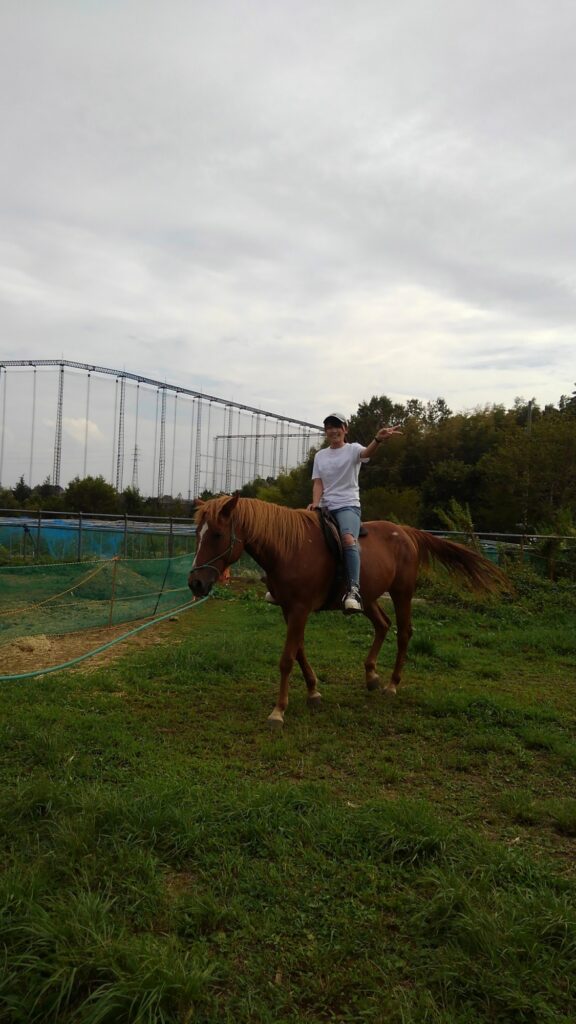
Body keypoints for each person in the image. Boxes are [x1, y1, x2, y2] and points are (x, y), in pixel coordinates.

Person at [308, 412, 402, 613]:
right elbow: (318, 482)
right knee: (300, 533)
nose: (333, 430)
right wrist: (315, 503)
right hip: (324, 506)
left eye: (337, 426)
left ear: (345, 430)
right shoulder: (320, 456)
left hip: (347, 505)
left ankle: (353, 590)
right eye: (329, 427)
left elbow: (366, 454)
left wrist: (377, 440)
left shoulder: (353, 449)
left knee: (348, 539)